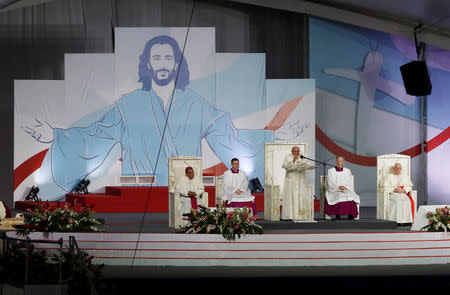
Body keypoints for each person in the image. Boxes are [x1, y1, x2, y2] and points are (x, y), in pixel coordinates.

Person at [23, 35, 273, 192]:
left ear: (176, 64)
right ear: (148, 63)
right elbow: (94, 134)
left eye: (168, 58)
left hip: (187, 186)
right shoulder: (128, 104)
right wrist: (55, 135)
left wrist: (268, 142)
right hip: (140, 187)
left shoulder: (195, 103)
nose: (163, 63)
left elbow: (225, 134)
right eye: (157, 58)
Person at [281, 146, 312, 221]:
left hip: (301, 180)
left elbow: (307, 165)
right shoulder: (288, 157)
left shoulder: (302, 157)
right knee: (292, 197)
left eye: (298, 151)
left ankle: (301, 216)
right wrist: (293, 161)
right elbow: (287, 167)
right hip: (291, 180)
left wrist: (306, 166)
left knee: (300, 198)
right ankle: (290, 216)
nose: (296, 153)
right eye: (295, 151)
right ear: (291, 151)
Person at [325, 155, 360, 220]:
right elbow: (330, 182)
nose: (339, 163)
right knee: (339, 196)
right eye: (338, 161)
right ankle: (338, 215)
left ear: (343, 162)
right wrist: (338, 187)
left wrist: (345, 187)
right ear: (336, 161)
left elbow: (350, 182)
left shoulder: (347, 171)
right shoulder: (331, 171)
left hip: (346, 189)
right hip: (335, 190)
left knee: (350, 197)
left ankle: (351, 214)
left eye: (340, 161)